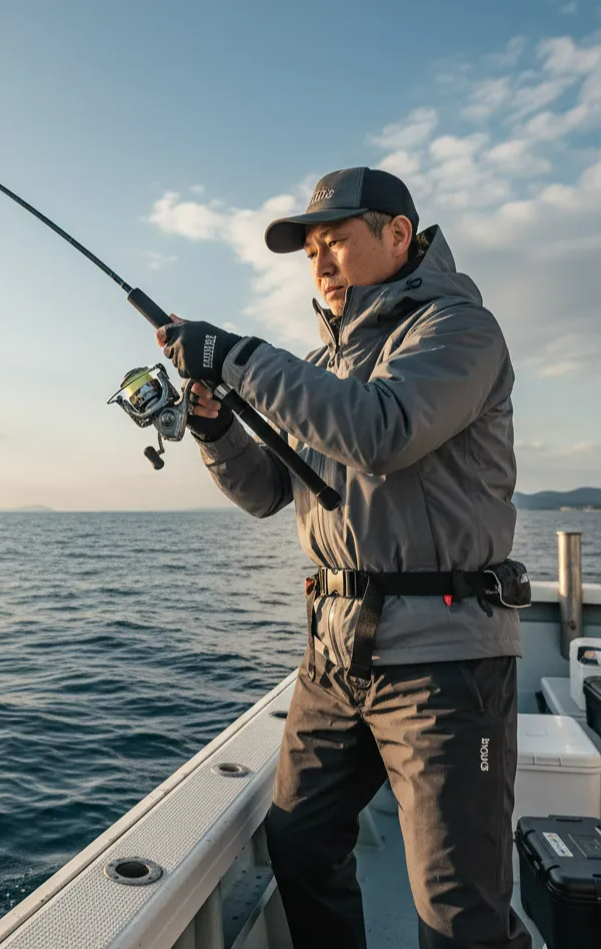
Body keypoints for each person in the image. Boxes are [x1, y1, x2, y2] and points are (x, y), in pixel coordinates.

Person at [156, 167, 530, 949]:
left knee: (459, 912)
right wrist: (217, 428)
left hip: (444, 659)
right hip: (334, 657)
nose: (319, 261)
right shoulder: (319, 367)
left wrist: (236, 355)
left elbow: (382, 429)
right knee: (300, 843)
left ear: (400, 236)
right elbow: (266, 490)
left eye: (337, 240)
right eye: (310, 250)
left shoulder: (458, 329)